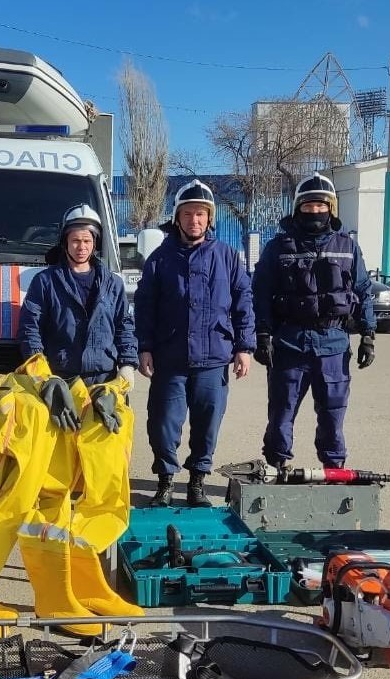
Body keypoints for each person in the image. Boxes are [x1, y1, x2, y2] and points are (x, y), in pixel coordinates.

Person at [134, 180, 255, 508]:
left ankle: (197, 483)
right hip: (169, 357)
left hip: (213, 358)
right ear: (177, 218)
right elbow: (144, 307)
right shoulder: (160, 259)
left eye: (201, 214)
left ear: (209, 218)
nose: (194, 220)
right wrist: (143, 347)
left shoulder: (228, 257)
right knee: (162, 422)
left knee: (207, 423)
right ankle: (165, 482)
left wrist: (244, 347)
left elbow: (244, 303)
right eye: (188, 214)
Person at [252, 172, 375, 470]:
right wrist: (263, 335)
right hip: (289, 344)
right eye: (309, 206)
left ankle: (333, 471)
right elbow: (261, 294)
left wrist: (368, 334)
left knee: (333, 414)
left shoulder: (347, 247)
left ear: (331, 208)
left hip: (333, 345)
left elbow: (362, 291)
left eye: (321, 206)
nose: (315, 211)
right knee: (281, 412)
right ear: (298, 209)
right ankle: (277, 467)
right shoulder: (278, 248)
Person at [19, 203, 138, 387]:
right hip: (59, 381)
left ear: (95, 243)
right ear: (65, 242)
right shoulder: (45, 282)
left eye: (87, 241)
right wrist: (38, 367)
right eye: (75, 240)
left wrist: (128, 364)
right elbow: (30, 327)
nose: (81, 247)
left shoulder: (113, 284)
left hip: (103, 382)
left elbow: (124, 326)